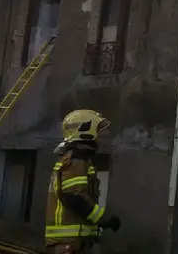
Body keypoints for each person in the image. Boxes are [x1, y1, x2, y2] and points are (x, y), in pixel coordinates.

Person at [45, 109, 121, 254]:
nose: (100, 135)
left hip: (73, 242)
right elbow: (76, 197)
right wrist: (104, 220)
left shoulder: (78, 159)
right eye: (97, 130)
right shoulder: (77, 160)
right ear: (85, 130)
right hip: (69, 244)